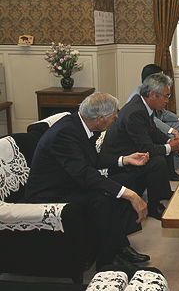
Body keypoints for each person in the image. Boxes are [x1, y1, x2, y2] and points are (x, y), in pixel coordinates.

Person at [23, 92, 150, 271]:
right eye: (114, 117)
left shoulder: (81, 124)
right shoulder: (65, 133)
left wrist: (125, 159)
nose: (115, 120)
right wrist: (129, 194)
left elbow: (92, 160)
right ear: (100, 119)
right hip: (50, 192)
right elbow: (84, 173)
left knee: (125, 178)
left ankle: (119, 243)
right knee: (101, 199)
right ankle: (108, 260)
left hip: (69, 181)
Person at [102, 73, 179, 221]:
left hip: (132, 151)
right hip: (120, 161)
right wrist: (170, 148)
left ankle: (163, 192)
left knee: (162, 151)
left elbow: (153, 131)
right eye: (166, 96)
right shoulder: (136, 112)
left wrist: (170, 141)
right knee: (158, 160)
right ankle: (154, 206)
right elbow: (146, 147)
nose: (167, 100)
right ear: (153, 95)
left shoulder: (143, 105)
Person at [127, 64, 179, 172]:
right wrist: (172, 135)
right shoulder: (137, 103)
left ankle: (178, 159)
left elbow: (162, 114)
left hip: (157, 123)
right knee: (171, 135)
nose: (167, 100)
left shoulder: (151, 96)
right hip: (141, 140)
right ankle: (172, 169)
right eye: (160, 78)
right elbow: (153, 124)